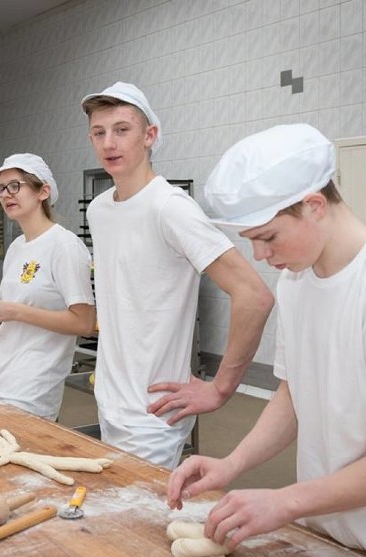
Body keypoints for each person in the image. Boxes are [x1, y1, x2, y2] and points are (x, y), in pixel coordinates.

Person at [168, 123, 366, 557]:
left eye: (267, 237)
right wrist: (231, 464)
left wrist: (284, 502)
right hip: (325, 528)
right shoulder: (297, 280)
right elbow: (294, 395)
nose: (261, 257)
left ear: (314, 206)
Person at [80, 82, 274, 468]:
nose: (109, 143)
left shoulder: (170, 207)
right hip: (110, 399)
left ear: (150, 135)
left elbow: (254, 295)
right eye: (99, 133)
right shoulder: (99, 210)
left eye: (122, 130)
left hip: (154, 412)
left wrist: (220, 389)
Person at [0, 153, 95, 420]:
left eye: (15, 186)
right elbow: (6, 311)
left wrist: (14, 312)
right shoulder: (17, 247)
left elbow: (83, 323)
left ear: (43, 191)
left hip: (34, 384)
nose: (5, 195)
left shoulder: (65, 246)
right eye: (1, 188)